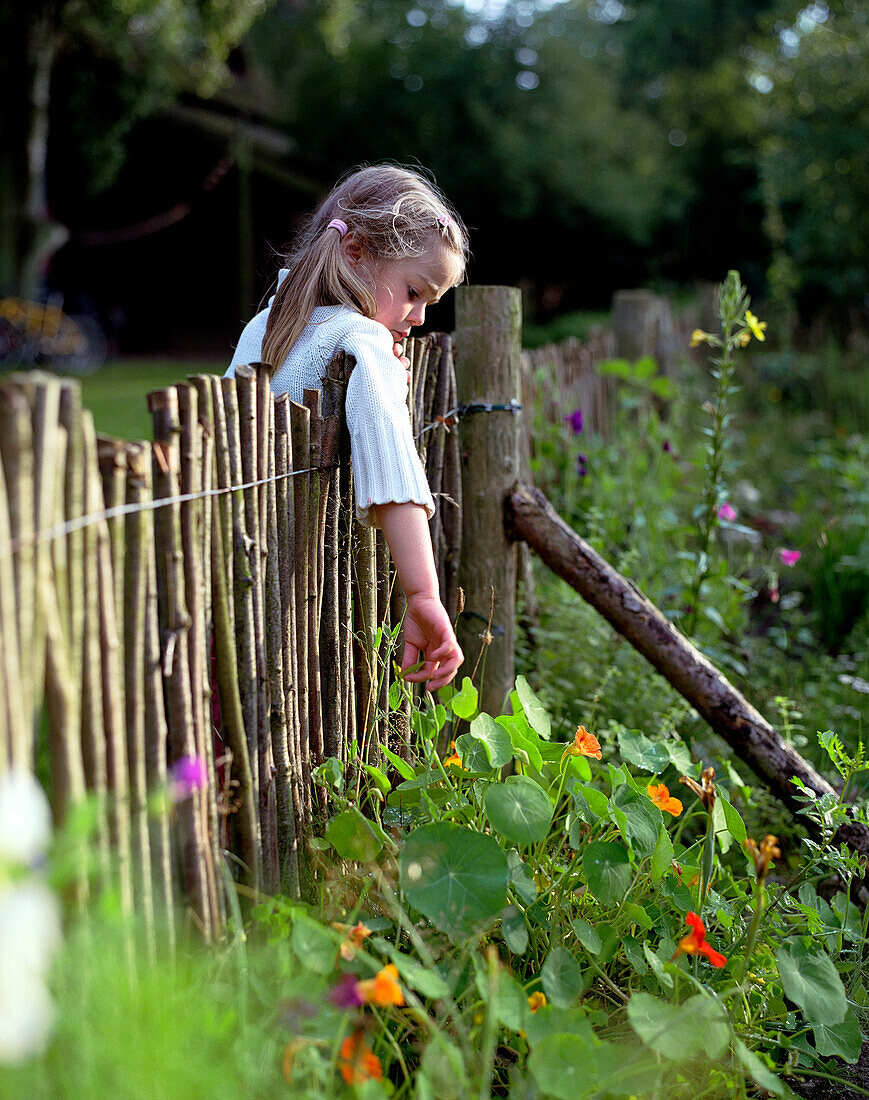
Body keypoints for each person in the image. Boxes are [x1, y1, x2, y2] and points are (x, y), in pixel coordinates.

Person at [227, 163, 469, 691]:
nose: (420, 317)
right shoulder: (363, 340)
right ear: (355, 251)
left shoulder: (265, 324)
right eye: (414, 291)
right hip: (288, 597)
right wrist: (423, 596)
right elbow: (390, 461)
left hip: (221, 569)